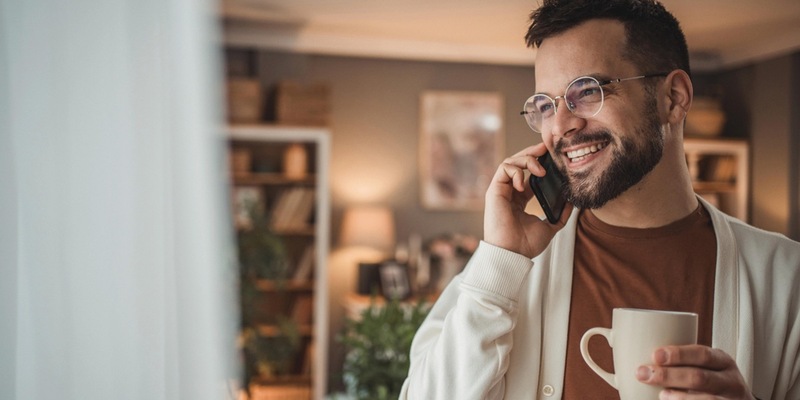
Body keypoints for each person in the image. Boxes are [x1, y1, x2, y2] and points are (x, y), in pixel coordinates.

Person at [400, 0, 800, 399]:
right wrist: (500, 261)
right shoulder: (508, 272)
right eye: (546, 105)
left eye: (587, 91)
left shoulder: (787, 282)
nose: (559, 127)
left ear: (674, 98)